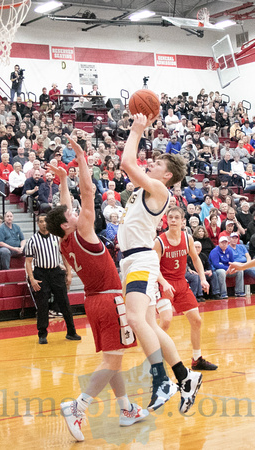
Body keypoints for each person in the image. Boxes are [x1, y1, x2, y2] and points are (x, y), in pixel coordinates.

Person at [45, 136, 148, 442]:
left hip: (92, 301)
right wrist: (80, 158)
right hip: (109, 299)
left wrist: (64, 179)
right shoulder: (84, 231)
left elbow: (65, 206)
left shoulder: (65, 240)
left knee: (112, 358)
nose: (76, 212)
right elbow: (88, 191)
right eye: (71, 215)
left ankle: (126, 407)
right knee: (113, 360)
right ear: (67, 224)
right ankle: (79, 406)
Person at [117, 113, 202, 414]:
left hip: (140, 258)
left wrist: (137, 130)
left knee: (136, 320)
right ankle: (184, 376)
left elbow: (127, 163)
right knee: (150, 324)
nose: (150, 164)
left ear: (167, 176)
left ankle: (161, 380)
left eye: (157, 165)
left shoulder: (160, 190)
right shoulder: (146, 190)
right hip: (133, 261)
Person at [154, 206, 217, 370]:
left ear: (183, 221)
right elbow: (152, 267)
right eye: (170, 217)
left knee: (196, 321)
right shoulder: (159, 241)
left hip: (181, 283)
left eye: (176, 217)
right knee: (166, 321)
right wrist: (164, 282)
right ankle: (154, 360)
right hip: (163, 283)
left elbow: (196, 259)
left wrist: (203, 279)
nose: (173, 220)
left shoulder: (187, 238)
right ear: (166, 219)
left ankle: (197, 359)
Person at [25, 214, 81, 344]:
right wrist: (32, 279)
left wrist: (69, 273)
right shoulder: (32, 240)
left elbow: (64, 255)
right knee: (42, 305)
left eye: (45, 221)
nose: (43, 223)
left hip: (56, 272)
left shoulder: (57, 237)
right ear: (38, 223)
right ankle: (42, 334)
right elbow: (28, 262)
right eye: (41, 221)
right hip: (41, 273)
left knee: (64, 303)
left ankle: (71, 332)